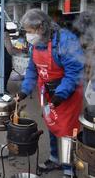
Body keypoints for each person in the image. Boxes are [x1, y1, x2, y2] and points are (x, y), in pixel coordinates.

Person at [16, 9, 84, 177]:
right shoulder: (35, 44)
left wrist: (61, 95)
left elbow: (74, 72)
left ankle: (69, 168)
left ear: (41, 27)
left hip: (67, 93)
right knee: (53, 125)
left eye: (30, 31)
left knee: (67, 131)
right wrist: (24, 90)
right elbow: (33, 70)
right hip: (47, 92)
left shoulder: (66, 41)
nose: (28, 35)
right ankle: (55, 158)